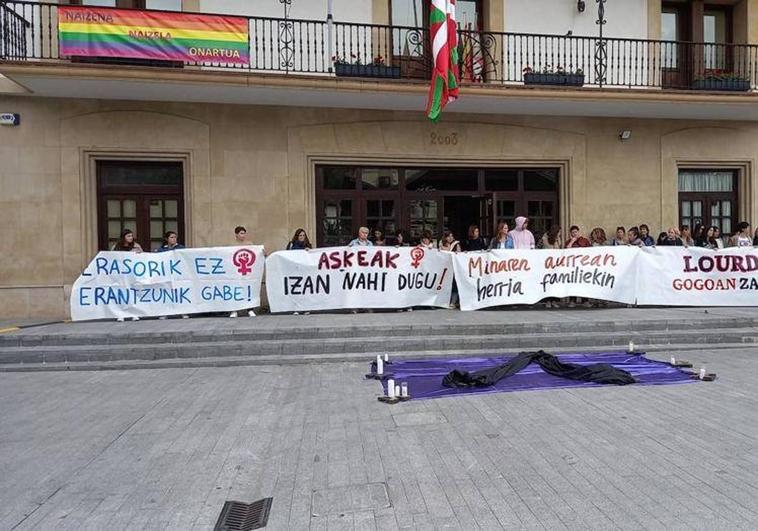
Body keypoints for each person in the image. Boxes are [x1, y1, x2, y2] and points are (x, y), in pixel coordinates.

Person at [230, 226, 256, 318]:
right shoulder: (232, 245)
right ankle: (234, 310)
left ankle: (250, 309)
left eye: (244, 233)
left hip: (247, 272)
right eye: (241, 233)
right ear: (236, 234)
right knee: (235, 290)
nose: (243, 235)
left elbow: (255, 255)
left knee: (248, 289)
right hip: (236, 272)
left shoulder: (250, 244)